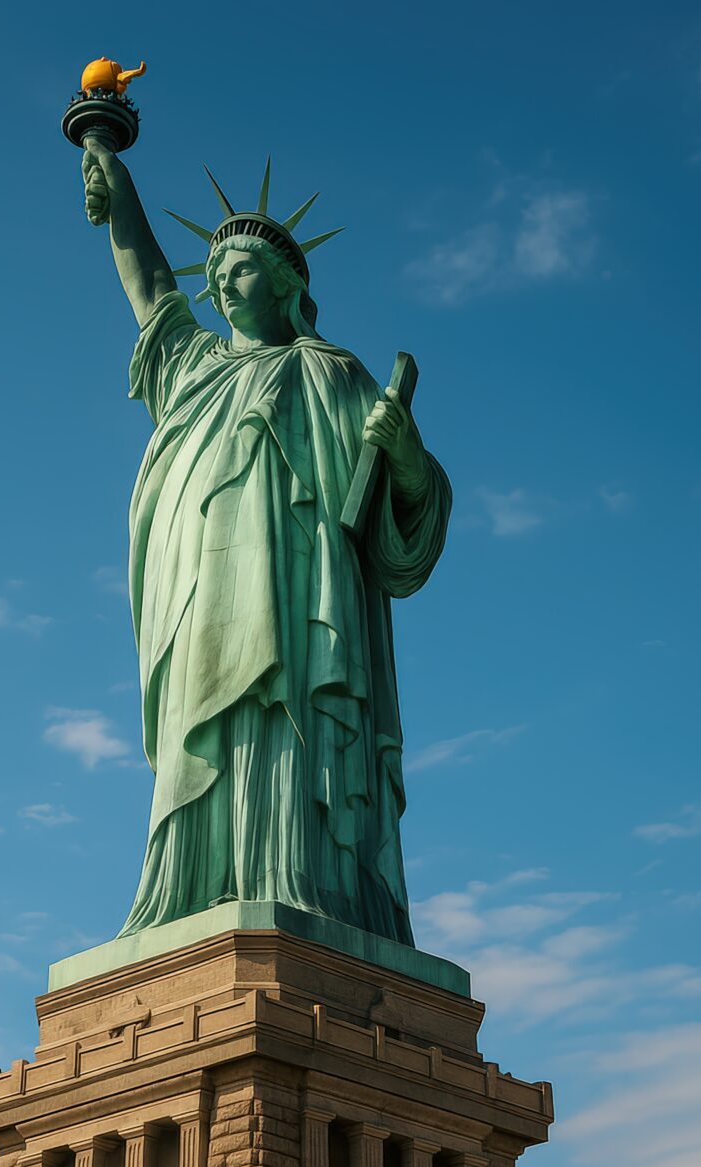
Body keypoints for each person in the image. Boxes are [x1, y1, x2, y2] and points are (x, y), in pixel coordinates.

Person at [81, 139, 452, 947]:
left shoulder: (335, 375)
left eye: (240, 269)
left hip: (300, 599)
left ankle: (303, 881)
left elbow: (408, 522)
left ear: (288, 282)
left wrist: (406, 457)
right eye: (214, 277)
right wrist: (120, 190)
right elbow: (149, 288)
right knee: (208, 725)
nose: (222, 285)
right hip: (201, 599)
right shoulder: (195, 369)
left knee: (287, 721)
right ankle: (194, 888)